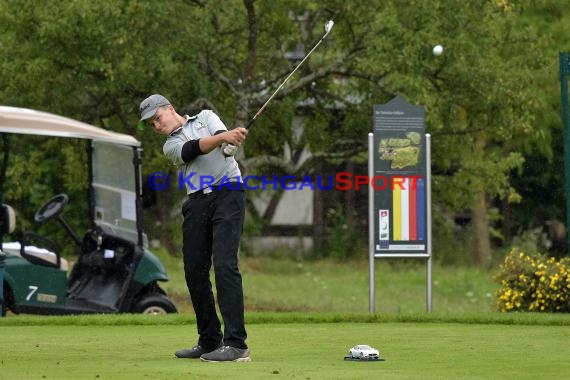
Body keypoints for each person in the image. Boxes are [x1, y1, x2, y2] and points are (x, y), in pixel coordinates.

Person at [139, 94, 250, 362]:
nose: (156, 125)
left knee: (225, 265)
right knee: (194, 272)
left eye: (157, 118)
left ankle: (237, 345)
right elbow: (193, 149)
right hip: (197, 200)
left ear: (170, 109)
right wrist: (223, 139)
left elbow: (223, 137)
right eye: (151, 124)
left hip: (228, 194)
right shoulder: (171, 145)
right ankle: (210, 340)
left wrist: (229, 139)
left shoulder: (206, 117)